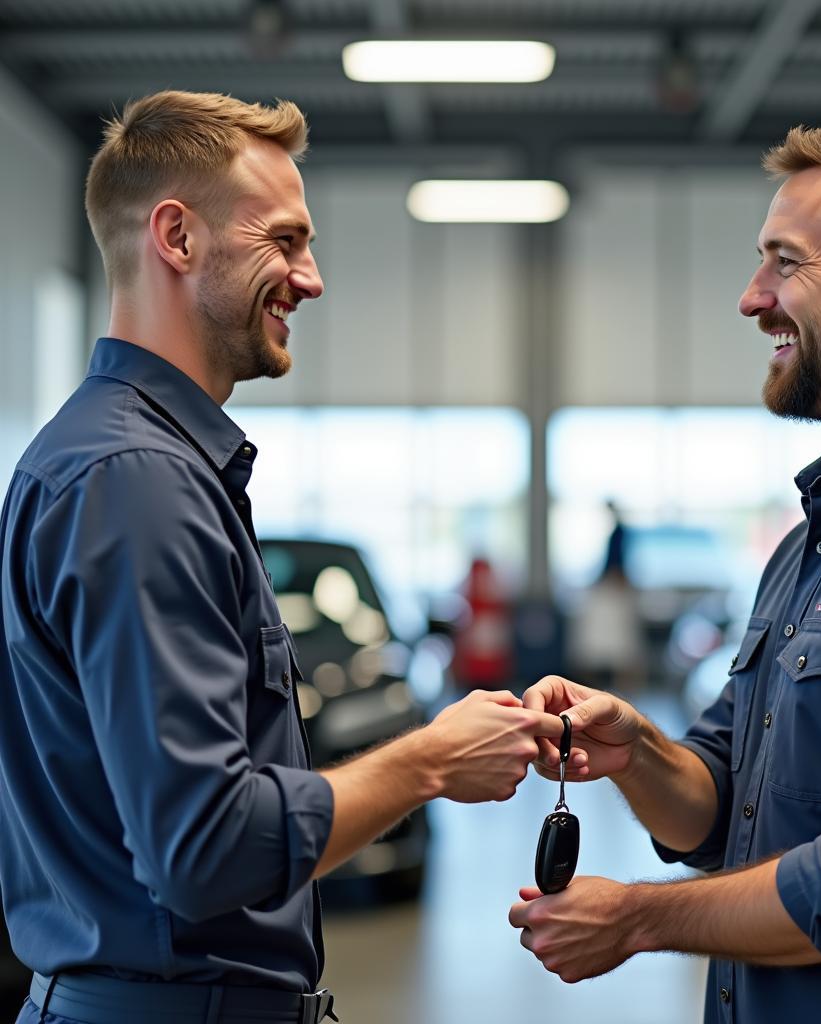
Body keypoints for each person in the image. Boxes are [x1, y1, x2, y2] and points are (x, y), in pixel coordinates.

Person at [0, 90, 567, 1024]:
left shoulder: (136, 462)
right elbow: (203, 850)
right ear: (176, 238)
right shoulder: (136, 480)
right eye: (285, 241)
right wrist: (427, 761)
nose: (311, 278)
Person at [509, 114, 821, 1023]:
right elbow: (721, 812)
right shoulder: (818, 536)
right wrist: (638, 751)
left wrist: (634, 919)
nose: (753, 298)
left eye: (786, 262)